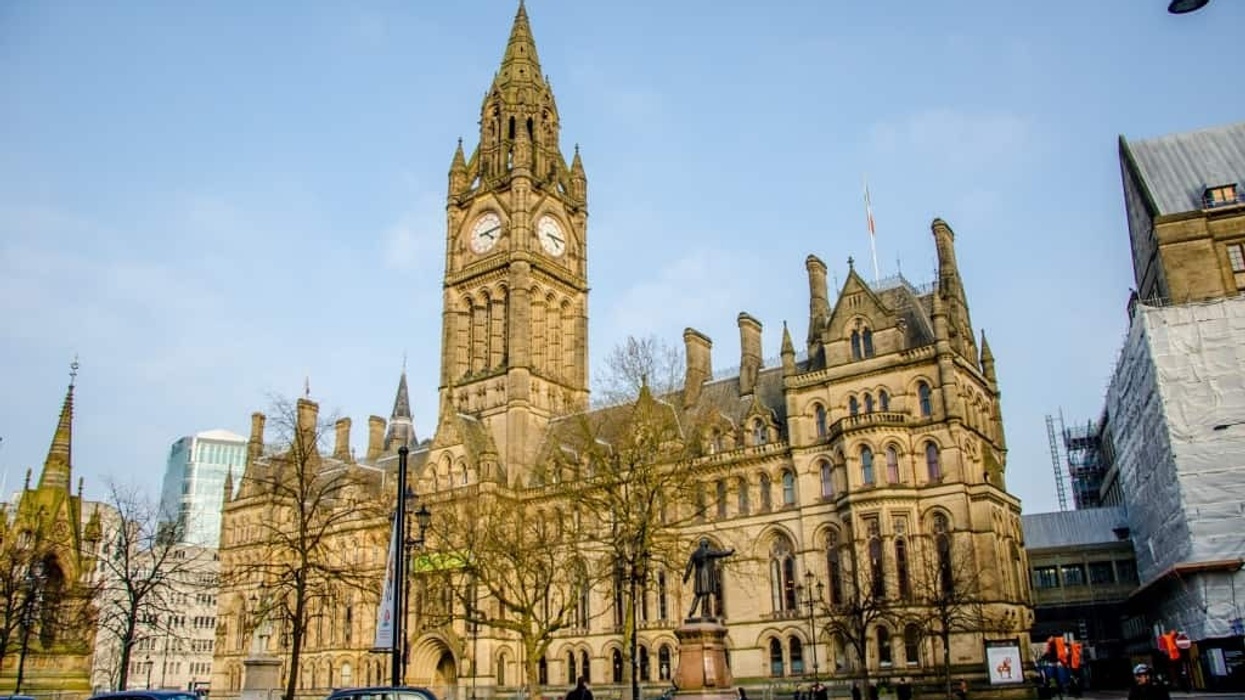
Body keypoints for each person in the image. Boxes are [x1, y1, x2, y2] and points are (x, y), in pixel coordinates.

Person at [683, 538, 736, 619]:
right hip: (705, 574)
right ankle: (704, 613)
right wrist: (730, 552)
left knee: (697, 595)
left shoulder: (694, 554)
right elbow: (719, 554)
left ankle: (691, 612)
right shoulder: (707, 551)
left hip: (698, 576)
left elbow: (689, 566)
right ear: (706, 544)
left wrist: (686, 577)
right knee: (705, 593)